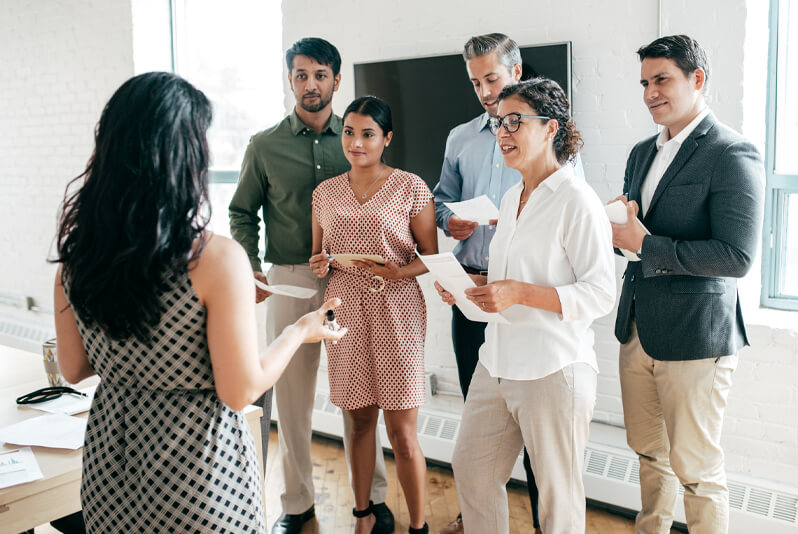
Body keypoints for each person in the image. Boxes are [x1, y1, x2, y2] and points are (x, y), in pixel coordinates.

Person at [52, 71, 346, 533]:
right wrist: (299, 331)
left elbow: (73, 367)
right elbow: (240, 390)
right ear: (183, 155)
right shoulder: (214, 259)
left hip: (111, 473)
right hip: (196, 477)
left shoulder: (77, 256)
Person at [228, 37, 394, 534]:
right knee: (293, 399)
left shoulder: (357, 138)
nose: (310, 85)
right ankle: (297, 504)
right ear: (290, 80)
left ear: (336, 80)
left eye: (320, 75)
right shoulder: (264, 145)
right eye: (300, 75)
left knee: (360, 394)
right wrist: (252, 267)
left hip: (352, 278)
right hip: (291, 280)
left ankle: (374, 497)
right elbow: (241, 212)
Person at [436, 78, 616, 533]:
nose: (503, 132)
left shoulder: (578, 201)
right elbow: (508, 278)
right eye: (499, 123)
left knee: (557, 503)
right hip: (496, 362)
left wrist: (518, 293)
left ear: (551, 128)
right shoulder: (512, 197)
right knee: (472, 470)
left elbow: (600, 293)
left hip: (553, 369)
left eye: (515, 121)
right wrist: (468, 285)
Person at [610, 35, 764, 534]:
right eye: (644, 83)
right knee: (649, 456)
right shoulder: (640, 153)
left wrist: (646, 242)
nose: (650, 92)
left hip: (697, 336)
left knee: (697, 472)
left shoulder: (731, 151)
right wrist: (618, 233)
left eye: (661, 80)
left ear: (697, 80)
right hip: (637, 329)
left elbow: (736, 257)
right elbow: (634, 237)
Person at [309, 95, 437, 534]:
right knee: (358, 419)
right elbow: (317, 255)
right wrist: (321, 264)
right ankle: (362, 516)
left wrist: (400, 269)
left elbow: (432, 257)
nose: (356, 143)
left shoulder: (411, 187)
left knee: (402, 431)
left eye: (367, 134)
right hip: (343, 306)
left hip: (396, 307)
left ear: (387, 138)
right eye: (349, 132)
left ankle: (417, 526)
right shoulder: (324, 192)